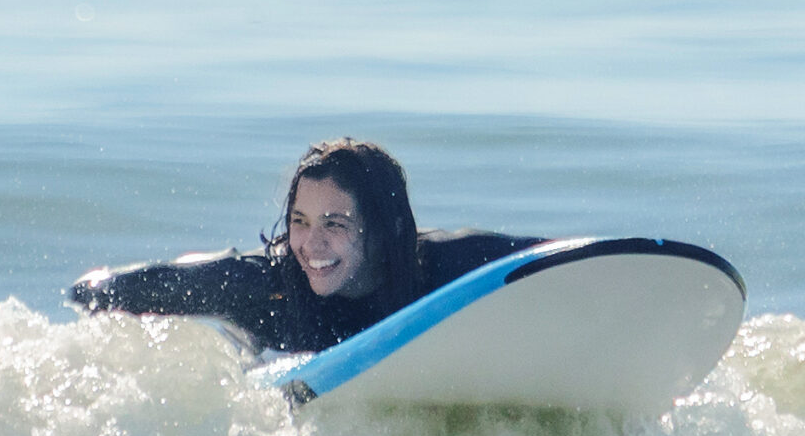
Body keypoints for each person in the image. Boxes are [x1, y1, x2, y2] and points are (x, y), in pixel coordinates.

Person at [70, 138, 542, 352]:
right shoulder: (264, 289)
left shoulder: (445, 266)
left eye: (334, 223)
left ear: (382, 230)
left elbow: (560, 262)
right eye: (300, 221)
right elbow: (116, 290)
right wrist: (95, 292)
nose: (312, 244)